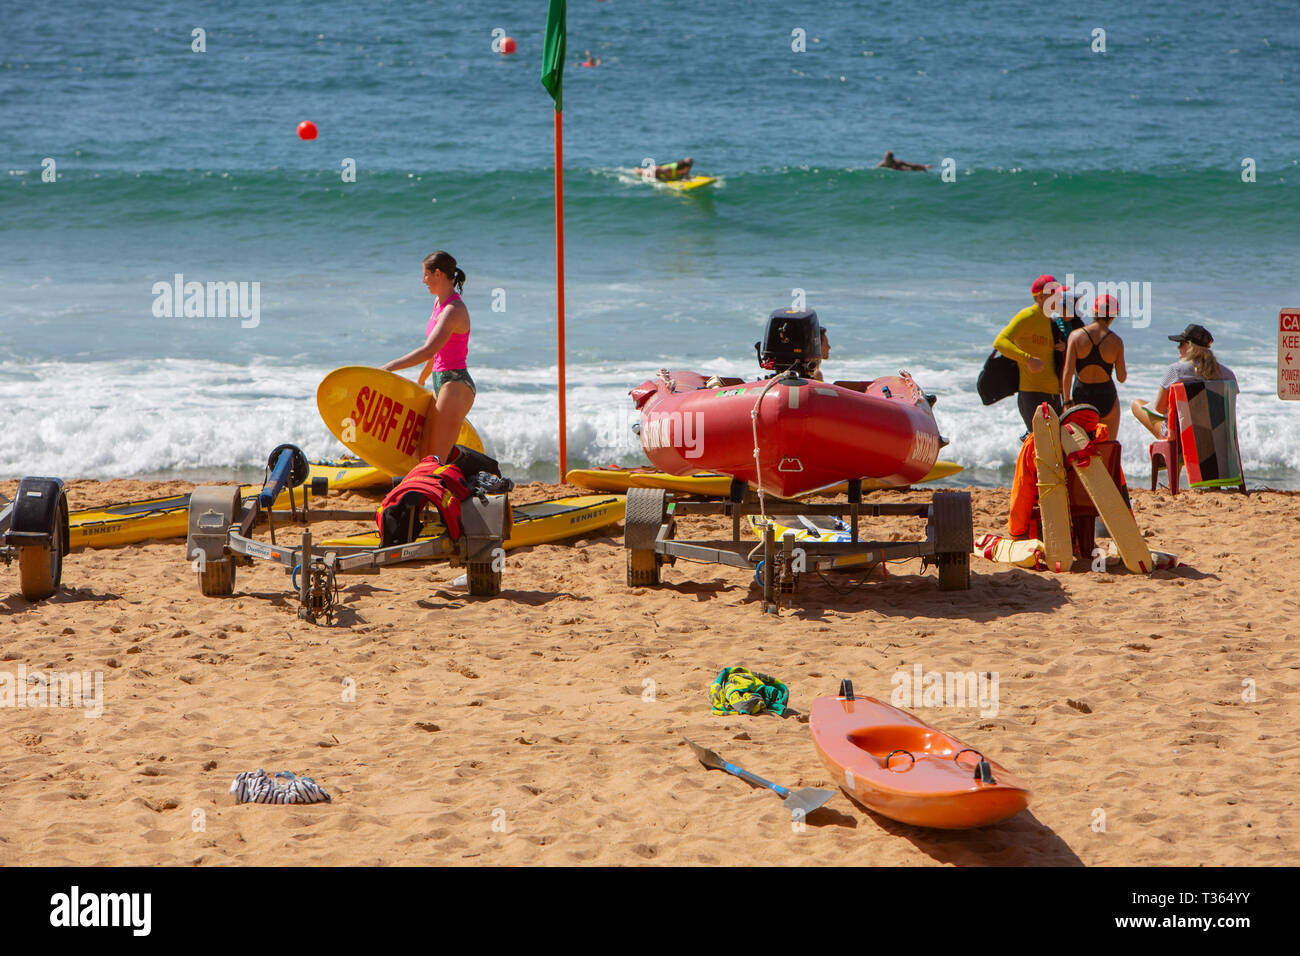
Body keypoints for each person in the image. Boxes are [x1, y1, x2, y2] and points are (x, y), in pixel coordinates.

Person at [381, 250, 475, 462]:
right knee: (422, 453)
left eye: (425, 274)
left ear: (438, 274)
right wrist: (424, 376)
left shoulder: (453, 310)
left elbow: (429, 349)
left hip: (455, 384)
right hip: (440, 381)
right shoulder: (438, 305)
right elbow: (438, 348)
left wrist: (388, 367)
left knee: (435, 457)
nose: (423, 280)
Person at [994, 274, 1073, 433]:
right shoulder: (1027, 315)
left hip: (1054, 393)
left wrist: (1063, 348)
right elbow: (1000, 342)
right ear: (1041, 297)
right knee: (1039, 441)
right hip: (1032, 392)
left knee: (1055, 442)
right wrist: (1028, 359)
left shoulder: (1052, 321)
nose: (1059, 299)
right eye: (1055, 295)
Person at [1131, 323, 1236, 440]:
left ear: (1190, 346)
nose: (1178, 348)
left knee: (1137, 404)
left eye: (1181, 344)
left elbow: (1159, 408)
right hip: (1217, 439)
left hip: (1181, 437)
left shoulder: (1175, 370)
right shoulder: (1229, 375)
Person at [1061, 293, 1127, 438]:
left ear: (1094, 311)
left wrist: (1066, 401)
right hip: (1106, 396)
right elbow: (1122, 378)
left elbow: (1068, 372)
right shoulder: (1116, 341)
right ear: (1114, 315)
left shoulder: (1076, 336)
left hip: (1081, 395)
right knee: (1108, 446)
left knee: (1081, 446)